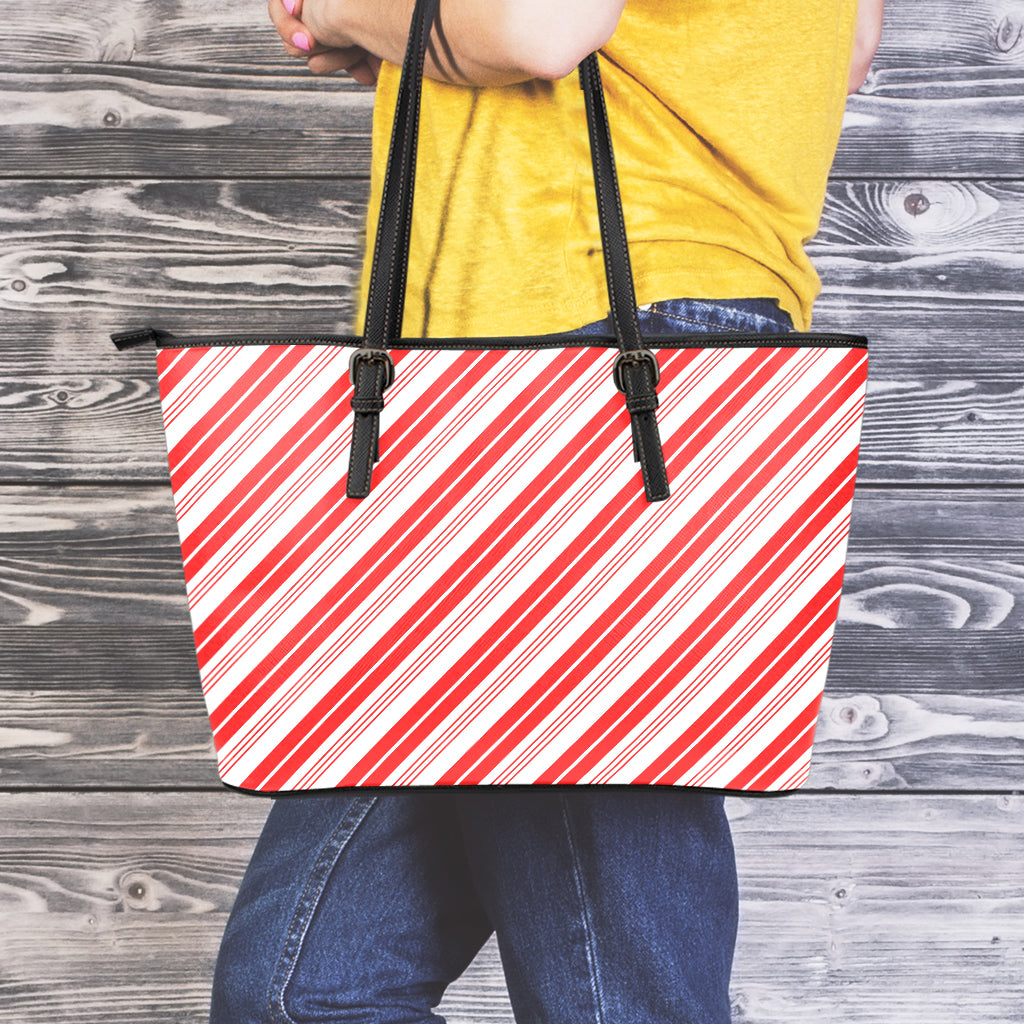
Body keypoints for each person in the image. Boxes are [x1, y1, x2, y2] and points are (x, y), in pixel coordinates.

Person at [209, 2, 884, 1022]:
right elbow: (838, 48)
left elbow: (533, 28)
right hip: (545, 364)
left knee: (608, 997)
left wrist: (344, 6)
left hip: (585, 347)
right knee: (302, 993)